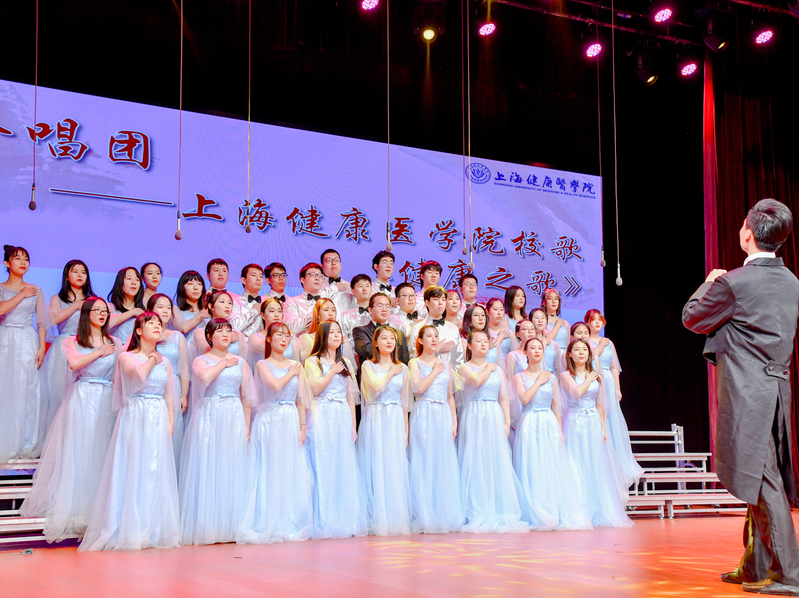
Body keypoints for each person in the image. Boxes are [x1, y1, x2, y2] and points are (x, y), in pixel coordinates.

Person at [682, 199, 799, 594]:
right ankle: (755, 565)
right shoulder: (791, 281)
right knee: (757, 474)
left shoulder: (733, 282)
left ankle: (790, 575)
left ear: (747, 233)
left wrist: (709, 281)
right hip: (776, 389)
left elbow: (693, 318)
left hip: (750, 392)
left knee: (763, 479)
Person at [20, 297, 120, 542]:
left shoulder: (116, 342)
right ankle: (76, 509)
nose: (102, 314)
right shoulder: (73, 341)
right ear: (86, 314)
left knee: (101, 452)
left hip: (106, 397)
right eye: (96, 310)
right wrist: (99, 352)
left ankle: (99, 512)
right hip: (83, 396)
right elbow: (74, 364)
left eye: (104, 311)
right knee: (80, 450)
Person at [79, 312, 180, 551]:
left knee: (155, 470)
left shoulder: (166, 362)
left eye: (159, 323)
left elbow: (169, 398)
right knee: (134, 467)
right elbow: (141, 375)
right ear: (138, 331)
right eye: (150, 323)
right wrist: (152, 359)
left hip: (157, 416)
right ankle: (131, 528)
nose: (156, 326)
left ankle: (153, 529)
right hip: (136, 415)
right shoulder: (126, 357)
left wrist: (170, 425)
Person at [237, 322, 313, 544]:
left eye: (286, 335)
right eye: (278, 335)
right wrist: (290, 373)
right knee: (269, 468)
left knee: (289, 467)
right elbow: (275, 386)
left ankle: (290, 520)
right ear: (268, 339)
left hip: (290, 418)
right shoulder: (263, 364)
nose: (283, 339)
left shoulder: (296, 365)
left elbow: (301, 399)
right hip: (270, 419)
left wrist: (302, 426)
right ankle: (268, 519)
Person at [180, 318, 252, 545]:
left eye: (228, 331)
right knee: (209, 464)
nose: (225, 334)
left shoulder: (241, 362)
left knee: (232, 466)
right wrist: (223, 363)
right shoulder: (201, 360)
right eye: (219, 331)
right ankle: (208, 526)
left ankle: (232, 525)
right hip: (210, 414)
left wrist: (247, 426)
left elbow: (246, 397)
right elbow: (204, 378)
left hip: (233, 415)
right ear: (210, 337)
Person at [512, 338, 591, 531]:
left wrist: (559, 431)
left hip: (548, 422)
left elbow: (556, 407)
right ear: (526, 352)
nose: (537, 351)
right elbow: (524, 398)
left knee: (550, 465)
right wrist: (538, 381)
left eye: (540, 348)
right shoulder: (519, 377)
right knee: (532, 464)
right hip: (529, 422)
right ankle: (533, 511)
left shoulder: (552, 377)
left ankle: (552, 508)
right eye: (532, 348)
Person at [456, 330, 528, 533]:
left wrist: (506, 422)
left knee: (495, 460)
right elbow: (476, 381)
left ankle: (498, 509)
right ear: (470, 346)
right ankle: (477, 510)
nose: (482, 344)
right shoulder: (464, 367)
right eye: (478, 341)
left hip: (494, 414)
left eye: (485, 341)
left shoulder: (497, 370)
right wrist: (489, 366)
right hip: (474, 414)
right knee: (475, 459)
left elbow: (503, 398)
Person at [304, 321, 367, 539]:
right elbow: (315, 388)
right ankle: (324, 520)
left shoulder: (346, 362)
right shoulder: (312, 361)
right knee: (323, 464)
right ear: (322, 336)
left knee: (343, 464)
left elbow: (350, 397)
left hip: (341, 415)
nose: (337, 335)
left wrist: (353, 426)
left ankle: (344, 518)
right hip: (322, 413)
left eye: (339, 332)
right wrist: (331, 372)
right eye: (332, 332)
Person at [560, 339, 632, 528]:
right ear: (570, 354)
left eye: (584, 350)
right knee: (576, 460)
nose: (581, 353)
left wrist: (602, 428)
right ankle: (579, 508)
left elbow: (600, 403)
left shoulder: (597, 376)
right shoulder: (566, 375)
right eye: (577, 350)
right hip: (575, 421)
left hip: (592, 421)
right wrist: (589, 379)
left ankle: (598, 509)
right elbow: (576, 393)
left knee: (595, 462)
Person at [407, 325, 464, 533]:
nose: (433, 339)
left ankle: (443, 514)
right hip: (424, 413)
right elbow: (418, 388)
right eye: (429, 336)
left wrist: (454, 421)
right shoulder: (414, 363)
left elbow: (450, 396)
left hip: (443, 415)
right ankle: (423, 514)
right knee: (424, 461)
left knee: (442, 461)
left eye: (436, 336)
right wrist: (435, 371)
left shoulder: (446, 364)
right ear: (420, 340)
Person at [358, 326, 412, 536]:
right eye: (384, 338)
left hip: (395, 418)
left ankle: (394, 516)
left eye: (392, 338)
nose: (389, 342)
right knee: (375, 462)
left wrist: (405, 429)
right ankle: (375, 516)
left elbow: (405, 402)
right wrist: (390, 373)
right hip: (376, 417)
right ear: (376, 343)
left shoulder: (403, 368)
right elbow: (376, 388)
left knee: (393, 464)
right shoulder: (368, 366)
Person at [585, 309, 642, 490]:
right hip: (595, 379)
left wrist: (617, 388)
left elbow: (614, 367)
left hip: (608, 381)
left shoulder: (609, 342)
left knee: (613, 419)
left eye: (599, 319)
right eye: (593, 320)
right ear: (587, 322)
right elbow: (593, 356)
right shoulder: (586, 342)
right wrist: (601, 345)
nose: (597, 322)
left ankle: (618, 458)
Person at [0, 245, 47, 462]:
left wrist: (41, 347)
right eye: (17, 258)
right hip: (5, 339)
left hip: (27, 339)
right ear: (7, 263)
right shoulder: (2, 288)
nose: (23, 262)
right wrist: (21, 294)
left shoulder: (35, 289)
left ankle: (25, 442)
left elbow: (41, 323)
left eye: (26, 259)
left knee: (26, 389)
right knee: (5, 387)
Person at [42, 259, 95, 428]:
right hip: (63, 348)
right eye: (75, 271)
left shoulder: (93, 300)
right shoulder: (57, 298)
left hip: (85, 347)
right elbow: (53, 319)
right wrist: (75, 306)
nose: (80, 275)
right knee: (59, 392)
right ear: (67, 276)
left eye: (83, 272)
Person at [148, 294, 190, 472]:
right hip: (151, 388)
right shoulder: (144, 335)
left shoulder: (177, 337)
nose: (165, 311)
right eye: (160, 307)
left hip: (174, 389)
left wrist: (184, 395)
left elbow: (184, 369)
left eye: (168, 307)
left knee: (171, 433)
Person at [353, 293, 410, 377]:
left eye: (387, 306)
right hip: (371, 377)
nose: (384, 309)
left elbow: (404, 359)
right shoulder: (360, 331)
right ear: (370, 310)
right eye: (380, 306)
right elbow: (367, 351)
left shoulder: (399, 333)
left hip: (396, 377)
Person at [409, 286, 465, 367]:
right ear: (427, 303)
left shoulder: (453, 328)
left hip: (451, 374)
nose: (440, 303)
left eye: (443, 299)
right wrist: (436, 350)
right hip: (427, 373)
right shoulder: (418, 328)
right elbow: (413, 358)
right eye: (436, 299)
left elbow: (459, 359)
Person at [192, 291, 249, 364]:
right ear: (211, 306)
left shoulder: (237, 334)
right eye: (222, 302)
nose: (227, 306)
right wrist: (229, 339)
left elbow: (242, 362)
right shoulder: (201, 332)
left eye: (229, 303)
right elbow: (208, 351)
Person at [247, 297, 299, 372]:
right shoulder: (254, 337)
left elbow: (296, 364)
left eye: (279, 311)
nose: (276, 314)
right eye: (272, 311)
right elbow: (260, 347)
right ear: (263, 315)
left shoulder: (291, 337)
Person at [284, 262, 326, 336]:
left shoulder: (327, 302)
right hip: (301, 343)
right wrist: (314, 314)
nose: (317, 278)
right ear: (302, 280)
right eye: (312, 275)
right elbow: (289, 329)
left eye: (320, 275)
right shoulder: (292, 302)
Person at [106, 267, 145, 347]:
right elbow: (105, 324)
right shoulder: (110, 307)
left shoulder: (144, 309)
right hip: (114, 351)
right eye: (129, 279)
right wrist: (133, 312)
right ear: (120, 282)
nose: (134, 282)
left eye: (137, 280)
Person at [230, 263, 266, 337]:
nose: (258, 279)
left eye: (261, 276)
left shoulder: (267, 302)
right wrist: (254, 311)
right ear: (244, 280)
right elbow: (234, 327)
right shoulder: (234, 302)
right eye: (254, 275)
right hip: (242, 343)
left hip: (264, 342)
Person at [338, 274, 373, 345]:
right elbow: (342, 340)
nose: (364, 289)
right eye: (360, 286)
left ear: (371, 290)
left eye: (367, 286)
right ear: (353, 291)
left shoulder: (377, 313)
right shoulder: (345, 316)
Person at [320, 249, 354, 314]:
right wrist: (335, 288)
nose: (333, 263)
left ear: (340, 264)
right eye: (329, 260)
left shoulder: (349, 286)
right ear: (321, 266)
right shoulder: (317, 286)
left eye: (336, 260)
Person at [486, 297, 513, 371]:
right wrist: (501, 336)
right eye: (495, 309)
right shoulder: (483, 334)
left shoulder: (509, 333)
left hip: (506, 370)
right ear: (487, 312)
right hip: (489, 369)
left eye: (501, 309)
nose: (499, 313)